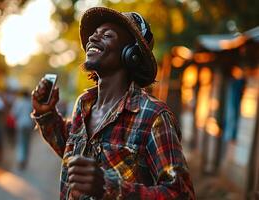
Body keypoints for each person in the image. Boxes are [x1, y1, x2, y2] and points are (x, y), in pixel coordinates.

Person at [31, 7, 195, 199]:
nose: (92, 38)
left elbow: (181, 194)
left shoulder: (153, 116)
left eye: (107, 35)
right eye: (93, 34)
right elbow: (71, 148)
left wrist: (109, 187)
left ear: (131, 54)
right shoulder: (84, 105)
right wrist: (47, 114)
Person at [11, 90, 34, 170]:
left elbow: (13, 114)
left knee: (20, 143)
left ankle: (20, 159)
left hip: (20, 125)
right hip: (28, 125)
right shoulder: (30, 103)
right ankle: (25, 160)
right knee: (26, 143)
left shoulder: (18, 102)